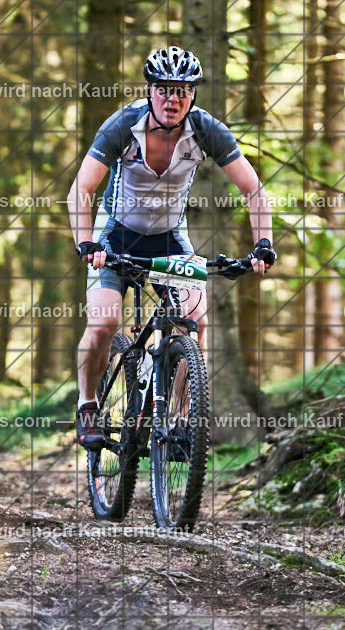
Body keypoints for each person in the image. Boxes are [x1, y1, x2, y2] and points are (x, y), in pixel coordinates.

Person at [67, 45, 276, 449]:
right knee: (104, 324)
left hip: (169, 239)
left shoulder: (206, 130)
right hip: (115, 235)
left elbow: (253, 189)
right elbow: (82, 189)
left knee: (193, 320)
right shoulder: (124, 125)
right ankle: (88, 404)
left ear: (193, 94)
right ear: (150, 90)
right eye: (163, 89)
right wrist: (86, 243)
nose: (172, 98)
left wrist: (262, 244)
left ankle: (180, 417)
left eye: (182, 90)